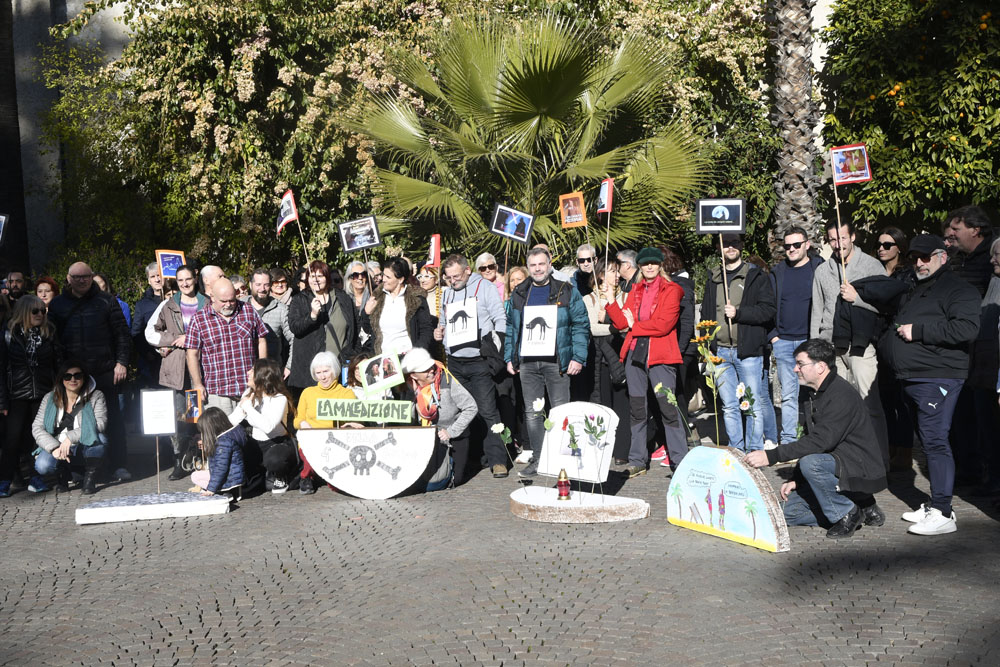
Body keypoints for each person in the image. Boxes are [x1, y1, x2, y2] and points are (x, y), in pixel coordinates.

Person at [881, 234, 980, 535]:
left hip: (938, 376)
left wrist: (919, 330)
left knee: (936, 440)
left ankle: (943, 511)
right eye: (915, 257)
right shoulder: (918, 288)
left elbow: (966, 328)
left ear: (943, 256)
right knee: (927, 439)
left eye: (926, 256)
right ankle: (934, 502)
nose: (920, 262)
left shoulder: (958, 289)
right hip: (912, 376)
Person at [746, 339, 887, 538]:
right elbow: (811, 438)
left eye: (800, 364)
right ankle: (859, 506)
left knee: (811, 464)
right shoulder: (812, 392)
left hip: (858, 466)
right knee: (785, 514)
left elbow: (820, 442)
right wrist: (797, 479)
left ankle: (848, 514)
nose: (795, 369)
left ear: (820, 366)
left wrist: (771, 456)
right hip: (837, 462)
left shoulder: (841, 395)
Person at [505, 247, 590, 478]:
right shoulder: (520, 293)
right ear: (528, 267)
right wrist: (509, 357)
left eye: (541, 264)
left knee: (561, 412)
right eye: (533, 265)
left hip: (557, 362)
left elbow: (581, 325)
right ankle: (540, 460)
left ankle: (564, 462)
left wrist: (578, 357)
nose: (538, 269)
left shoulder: (567, 290)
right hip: (528, 363)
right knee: (533, 414)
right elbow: (512, 327)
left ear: (550, 264)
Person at [604, 247, 687, 477]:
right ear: (639, 267)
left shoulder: (673, 290)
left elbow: (664, 325)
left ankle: (679, 460)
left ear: (660, 265)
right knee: (637, 409)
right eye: (645, 263)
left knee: (668, 409)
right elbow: (621, 322)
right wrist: (611, 300)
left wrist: (635, 326)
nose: (649, 267)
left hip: (661, 357)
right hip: (635, 356)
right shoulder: (636, 290)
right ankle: (637, 459)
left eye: (654, 263)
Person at [811, 219, 889, 454]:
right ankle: (848, 461)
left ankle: (879, 460)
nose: (838, 244)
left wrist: (857, 299)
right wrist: (814, 350)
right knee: (839, 410)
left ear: (853, 237)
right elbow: (817, 311)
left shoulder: (872, 266)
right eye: (833, 239)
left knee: (869, 404)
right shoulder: (822, 270)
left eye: (842, 238)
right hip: (831, 347)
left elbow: (886, 306)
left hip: (861, 345)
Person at [48, 262, 131, 481]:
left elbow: (122, 334)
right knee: (72, 422)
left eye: (85, 276)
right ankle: (78, 469)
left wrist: (121, 362)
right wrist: (59, 372)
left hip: (104, 370)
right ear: (68, 278)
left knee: (112, 419)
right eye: (77, 277)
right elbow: (53, 341)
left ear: (92, 277)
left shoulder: (107, 301)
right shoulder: (57, 304)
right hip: (72, 376)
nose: (82, 280)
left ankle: (119, 465)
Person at [434, 254, 508, 478]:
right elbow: (443, 323)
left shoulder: (485, 287)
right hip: (455, 361)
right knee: (460, 412)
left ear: (467, 271)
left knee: (487, 410)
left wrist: (495, 346)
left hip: (479, 360)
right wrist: (440, 333)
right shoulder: (446, 293)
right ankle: (470, 460)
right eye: (448, 278)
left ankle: (498, 460)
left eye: (456, 276)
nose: (452, 281)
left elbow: (500, 318)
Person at [700, 234, 776, 452]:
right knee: (729, 407)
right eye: (726, 244)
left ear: (742, 245)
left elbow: (768, 310)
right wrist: (707, 347)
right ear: (718, 248)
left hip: (748, 352)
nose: (730, 248)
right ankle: (736, 449)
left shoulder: (755, 276)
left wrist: (740, 313)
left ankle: (754, 450)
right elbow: (706, 313)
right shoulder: (713, 277)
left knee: (752, 404)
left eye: (735, 243)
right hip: (720, 352)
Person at [146, 265, 209, 480]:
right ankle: (180, 459)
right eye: (180, 280)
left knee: (197, 416)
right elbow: (150, 332)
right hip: (177, 372)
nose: (185, 284)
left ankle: (199, 457)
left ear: (195, 279)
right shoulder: (169, 304)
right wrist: (171, 342)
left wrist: (189, 338)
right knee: (180, 418)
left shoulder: (207, 303)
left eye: (188, 279)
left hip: (199, 370)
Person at [0, 296, 60, 496]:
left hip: (43, 393)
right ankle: (6, 480)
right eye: (35, 311)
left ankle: (36, 478)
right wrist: (2, 400)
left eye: (43, 310)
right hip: (16, 394)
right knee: (12, 439)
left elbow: (58, 363)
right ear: (25, 312)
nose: (40, 315)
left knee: (38, 438)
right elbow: (1, 368)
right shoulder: (9, 334)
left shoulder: (49, 332)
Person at [768, 227, 823, 446]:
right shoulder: (778, 272)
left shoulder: (818, 267)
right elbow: (769, 305)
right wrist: (774, 337)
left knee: (815, 392)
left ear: (807, 244)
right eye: (787, 246)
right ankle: (790, 441)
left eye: (796, 245)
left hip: (810, 341)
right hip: (783, 342)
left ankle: (816, 438)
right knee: (789, 395)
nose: (791, 249)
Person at [185, 278, 269, 412]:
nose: (229, 304)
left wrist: (261, 371)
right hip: (218, 392)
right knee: (222, 433)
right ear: (212, 297)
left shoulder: (247, 310)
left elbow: (261, 340)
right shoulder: (199, 319)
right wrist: (197, 384)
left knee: (254, 432)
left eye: (232, 300)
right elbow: (191, 354)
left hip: (249, 389)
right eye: (223, 301)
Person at [402, 347, 477, 490]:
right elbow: (407, 417)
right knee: (425, 481)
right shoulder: (409, 387)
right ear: (414, 375)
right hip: (428, 437)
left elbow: (471, 407)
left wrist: (451, 431)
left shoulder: (446, 380)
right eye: (425, 369)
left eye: (431, 366)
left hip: (453, 436)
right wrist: (411, 401)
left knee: (455, 479)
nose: (431, 370)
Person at [31, 360, 108, 495]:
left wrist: (70, 438)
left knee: (100, 439)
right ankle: (63, 475)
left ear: (84, 378)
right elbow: (37, 427)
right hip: (58, 444)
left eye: (77, 376)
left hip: (83, 443)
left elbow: (100, 424)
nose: (73, 379)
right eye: (67, 376)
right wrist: (54, 447)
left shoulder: (96, 396)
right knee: (42, 465)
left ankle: (89, 478)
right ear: (61, 379)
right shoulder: (49, 398)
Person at [875, 227, 916, 472]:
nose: (881, 248)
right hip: (878, 340)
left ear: (899, 247)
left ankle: (904, 450)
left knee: (901, 400)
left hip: (899, 341)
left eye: (887, 245)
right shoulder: (875, 271)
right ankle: (890, 446)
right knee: (884, 399)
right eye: (879, 244)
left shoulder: (907, 276)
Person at [582, 259, 629, 465]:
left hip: (621, 356)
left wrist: (612, 321)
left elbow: (629, 325)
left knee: (623, 404)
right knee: (602, 405)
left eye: (618, 271)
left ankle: (622, 450)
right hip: (599, 358)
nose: (616, 275)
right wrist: (614, 326)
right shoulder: (589, 299)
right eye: (611, 271)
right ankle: (602, 446)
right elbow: (591, 327)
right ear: (600, 275)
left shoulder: (626, 296)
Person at [287, 260, 357, 396]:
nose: (316, 280)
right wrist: (312, 315)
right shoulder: (300, 299)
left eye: (320, 276)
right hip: (309, 371)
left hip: (338, 366)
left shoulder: (342, 298)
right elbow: (295, 327)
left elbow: (353, 328)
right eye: (312, 276)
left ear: (327, 277)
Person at [229, 358, 297, 495]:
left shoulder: (279, 398)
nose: (248, 372)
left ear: (262, 376)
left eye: (253, 370)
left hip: (276, 443)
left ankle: (280, 476)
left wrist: (248, 407)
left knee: (274, 459)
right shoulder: (248, 394)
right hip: (256, 443)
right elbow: (232, 421)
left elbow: (268, 427)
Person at [295, 351, 356, 495]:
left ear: (334, 370)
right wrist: (303, 423)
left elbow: (352, 419)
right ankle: (306, 477)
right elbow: (297, 420)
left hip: (335, 440)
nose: (322, 376)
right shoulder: (307, 393)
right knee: (311, 453)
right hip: (311, 438)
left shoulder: (346, 393)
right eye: (318, 372)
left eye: (326, 371)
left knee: (335, 485)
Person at [363, 257, 433, 357]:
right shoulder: (377, 296)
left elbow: (426, 330)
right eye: (383, 275)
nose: (383, 279)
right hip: (383, 360)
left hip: (408, 360)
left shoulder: (416, 298)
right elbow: (368, 329)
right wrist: (366, 313)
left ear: (400, 279)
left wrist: (416, 354)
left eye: (388, 277)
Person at [245, 268, 294, 376]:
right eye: (258, 284)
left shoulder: (281, 309)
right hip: (244, 374)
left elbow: (293, 339)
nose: (262, 289)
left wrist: (289, 367)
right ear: (250, 285)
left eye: (266, 285)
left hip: (271, 374)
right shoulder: (240, 306)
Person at [190, 407, 245, 499]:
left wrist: (211, 489)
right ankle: (220, 489)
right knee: (195, 476)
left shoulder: (223, 443)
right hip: (232, 476)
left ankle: (223, 491)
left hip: (229, 480)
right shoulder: (227, 437)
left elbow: (220, 468)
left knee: (196, 477)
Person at [946, 205, 994, 297]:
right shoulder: (952, 256)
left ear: (975, 231)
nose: (950, 233)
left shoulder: (994, 257)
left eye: (955, 229)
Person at [132, 263, 165, 388]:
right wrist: (146, 353)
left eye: (159, 275)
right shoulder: (142, 304)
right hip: (152, 361)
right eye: (153, 276)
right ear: (148, 280)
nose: (157, 279)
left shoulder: (177, 299)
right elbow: (136, 332)